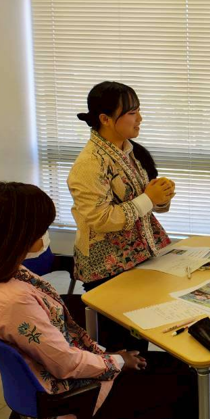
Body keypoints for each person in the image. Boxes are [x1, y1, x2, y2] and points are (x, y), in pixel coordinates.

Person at [0, 182, 210, 419]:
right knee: (187, 382)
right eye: (42, 229)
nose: (45, 236)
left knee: (172, 368)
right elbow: (65, 363)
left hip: (49, 391)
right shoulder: (14, 300)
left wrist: (107, 357)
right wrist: (117, 360)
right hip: (73, 406)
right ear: (18, 235)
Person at [68, 81, 175, 351]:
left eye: (138, 111)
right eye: (132, 113)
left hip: (138, 259)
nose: (140, 119)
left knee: (140, 341)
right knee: (123, 351)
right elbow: (101, 219)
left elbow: (142, 203)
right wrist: (148, 198)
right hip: (109, 270)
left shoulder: (128, 151)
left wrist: (160, 197)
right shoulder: (89, 164)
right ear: (105, 119)